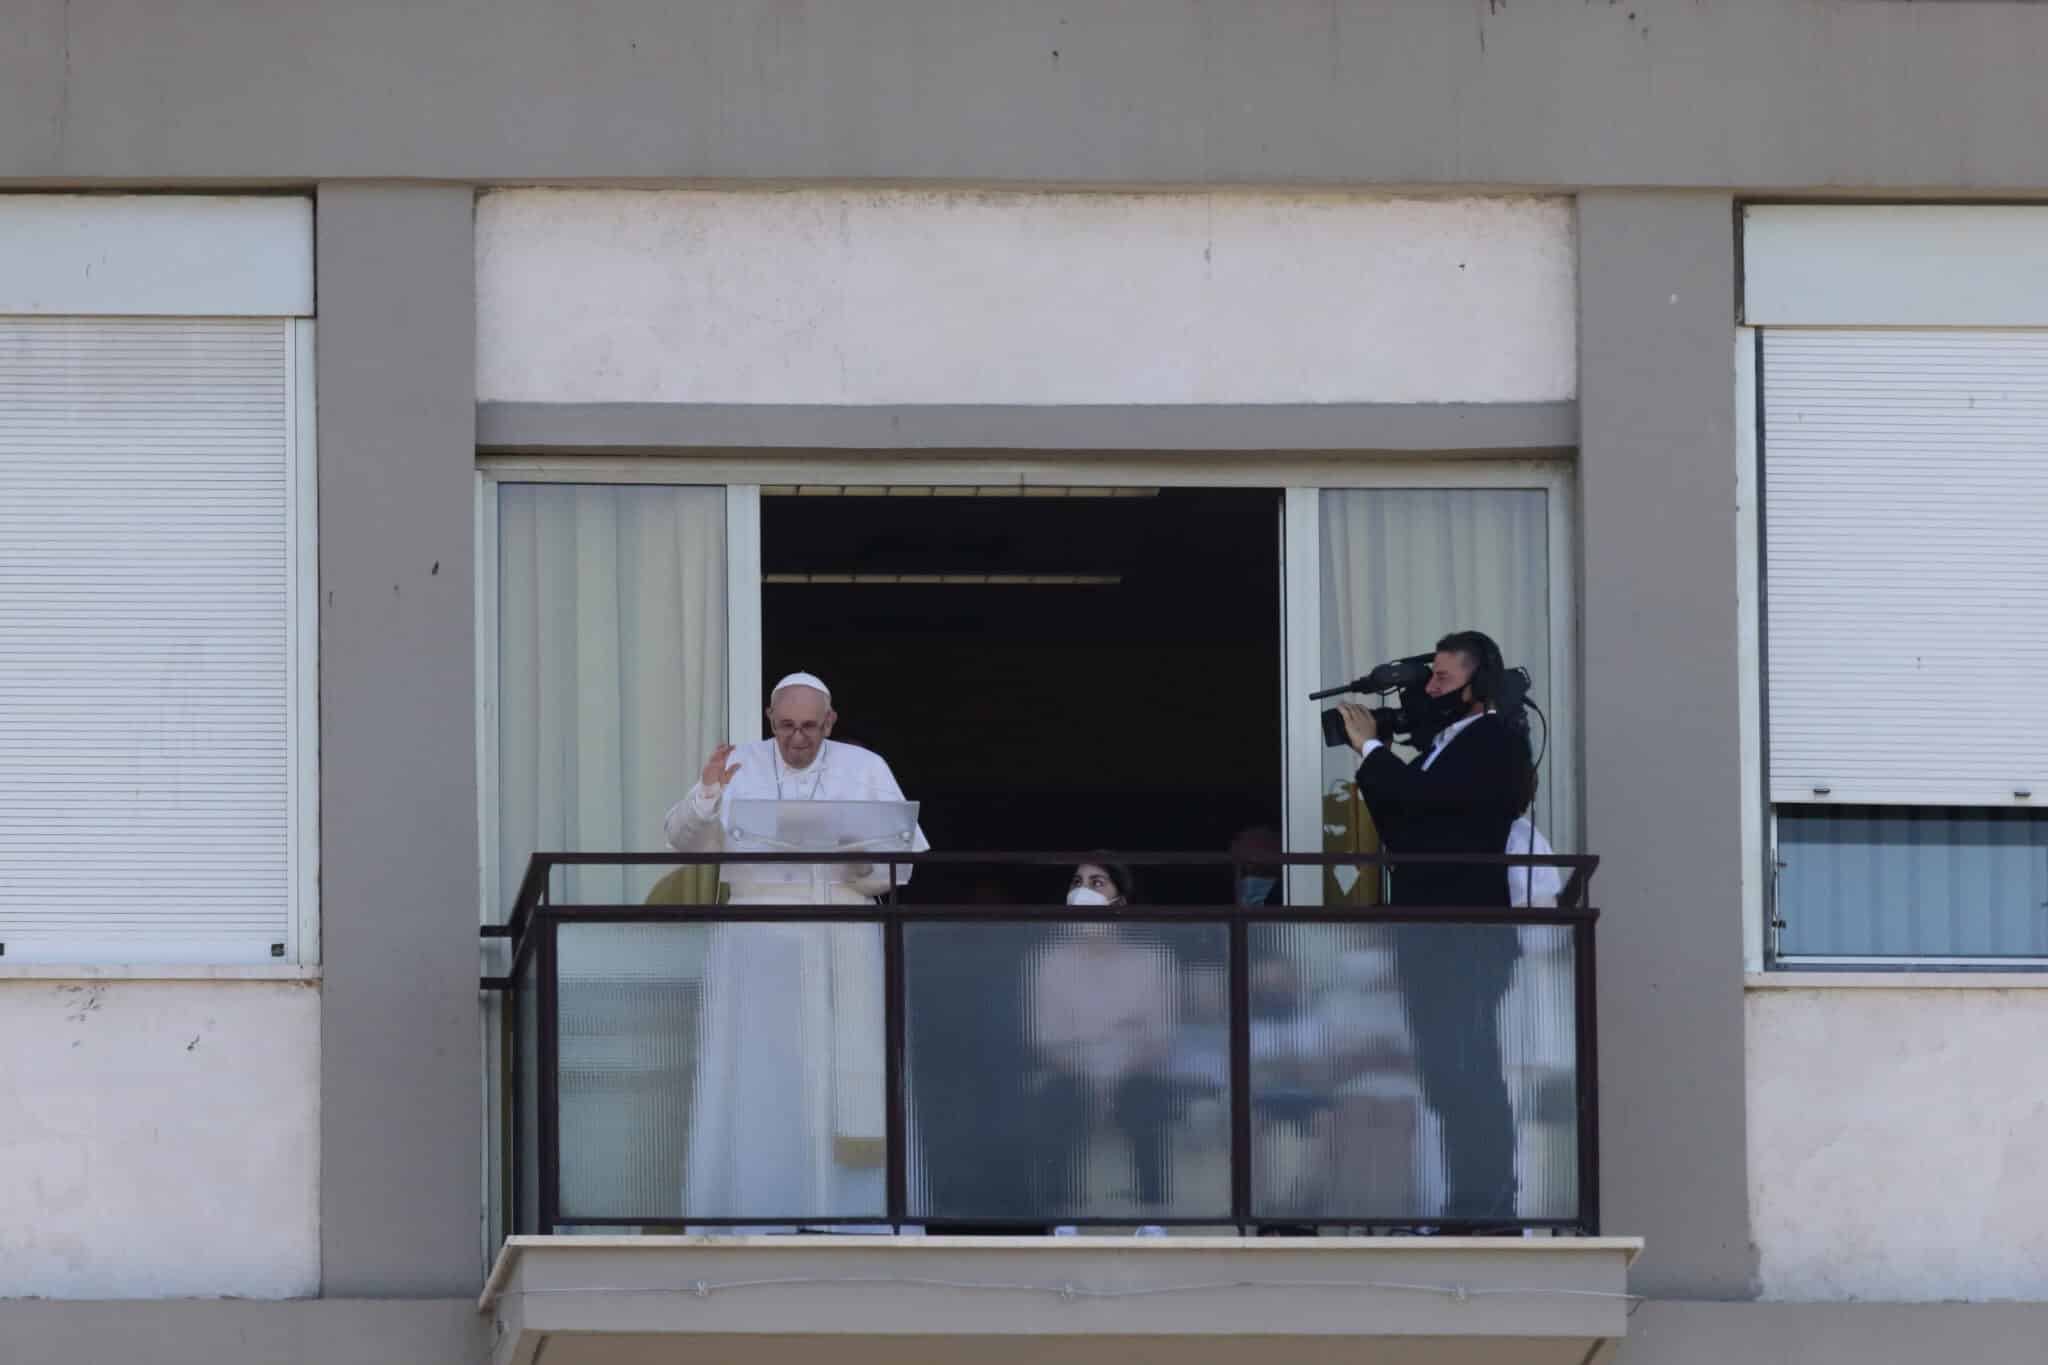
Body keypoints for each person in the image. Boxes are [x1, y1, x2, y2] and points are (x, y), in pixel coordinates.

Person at [664, 671, 930, 1228]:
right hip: (759, 944)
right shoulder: (741, 767)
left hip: (843, 934)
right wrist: (709, 793)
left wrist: (856, 852)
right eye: (786, 726)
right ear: (770, 719)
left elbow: (901, 862)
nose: (798, 738)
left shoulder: (866, 768)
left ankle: (849, 1216)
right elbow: (684, 840)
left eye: (810, 726)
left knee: (841, 1075)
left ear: (830, 722)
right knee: (761, 1075)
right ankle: (757, 1209)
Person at [1335, 630, 1529, 1226]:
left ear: (1477, 685)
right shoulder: (1447, 743)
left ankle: (1488, 1205)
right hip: (1434, 933)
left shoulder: (1492, 737)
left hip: (1464, 932)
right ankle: (1463, 1201)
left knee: (1470, 1070)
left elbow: (1426, 806)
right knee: (1448, 1076)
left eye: (1442, 678)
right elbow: (1406, 823)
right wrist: (1379, 754)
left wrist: (1372, 750)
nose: (1430, 688)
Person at [1027, 862, 1180, 1220]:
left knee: (1145, 1099)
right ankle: (1062, 1216)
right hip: (1072, 1071)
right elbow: (1046, 1040)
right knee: (1057, 1100)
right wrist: (1090, 1082)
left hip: (1135, 1069)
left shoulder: (1153, 961)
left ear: (1120, 901)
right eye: (1078, 882)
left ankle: (1153, 1213)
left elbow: (1158, 1037)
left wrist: (1116, 1080)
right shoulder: (1051, 962)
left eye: (1097, 883)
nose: (1084, 890)